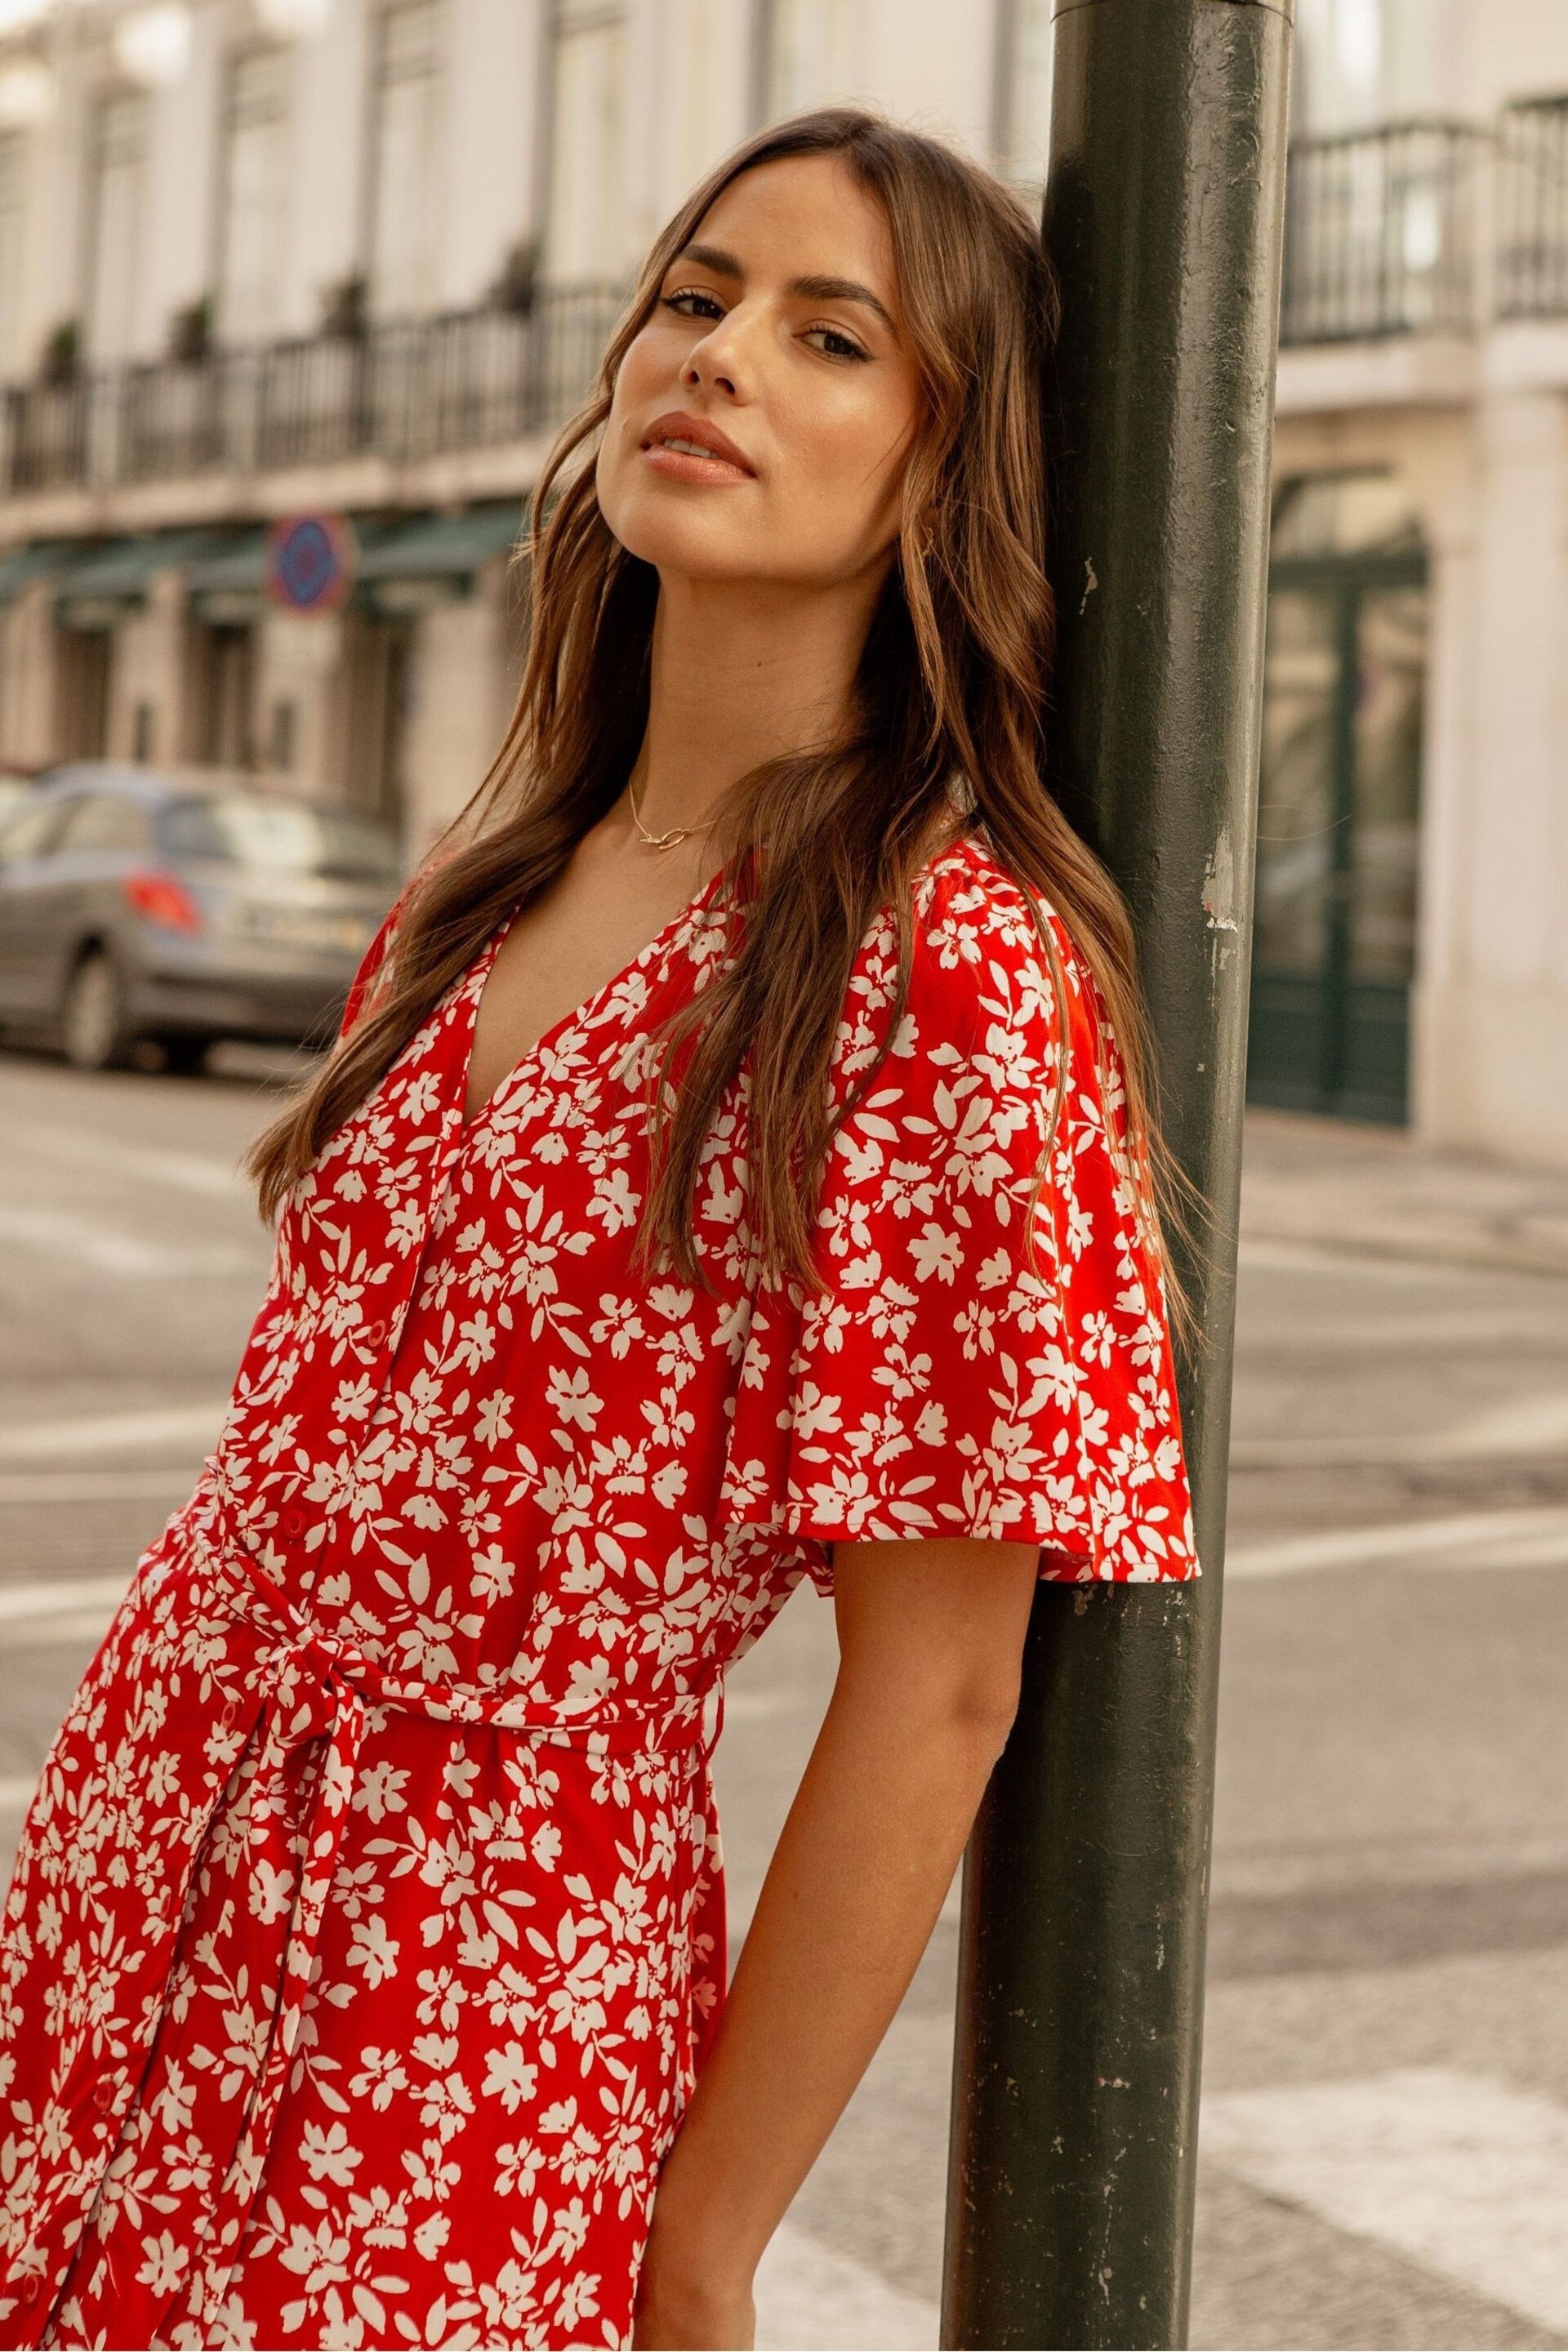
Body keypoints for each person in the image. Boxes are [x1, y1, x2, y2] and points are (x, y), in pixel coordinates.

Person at [0, 109, 1196, 2352]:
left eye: (828, 333)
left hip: (471, 1994)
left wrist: (708, 2238)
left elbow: (939, 1683)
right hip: (127, 1888)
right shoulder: (477, 899)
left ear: (947, 470)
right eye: (695, 294)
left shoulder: (942, 967)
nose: (719, 355)